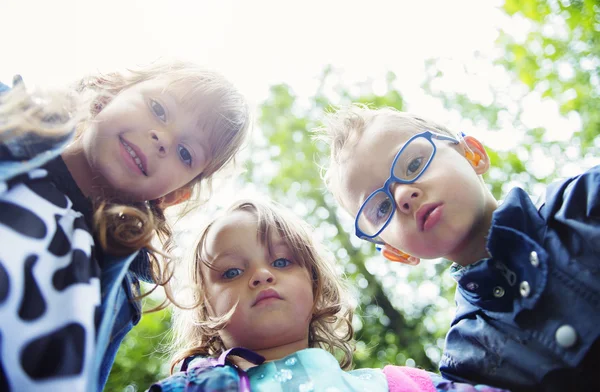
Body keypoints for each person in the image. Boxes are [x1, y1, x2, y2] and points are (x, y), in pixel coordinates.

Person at [0, 60, 251, 392]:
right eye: (159, 109)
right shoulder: (10, 126)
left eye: (185, 153)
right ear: (108, 93)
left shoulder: (116, 288)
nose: (162, 138)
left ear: (174, 195)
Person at [314, 104, 599, 391]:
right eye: (382, 207)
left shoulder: (587, 202)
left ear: (473, 154)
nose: (403, 195)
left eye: (413, 164)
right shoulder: (466, 363)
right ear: (396, 252)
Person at [148, 198, 510, 391]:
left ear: (316, 287)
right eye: (231, 272)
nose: (261, 275)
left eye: (281, 260)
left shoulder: (400, 385)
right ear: (204, 308)